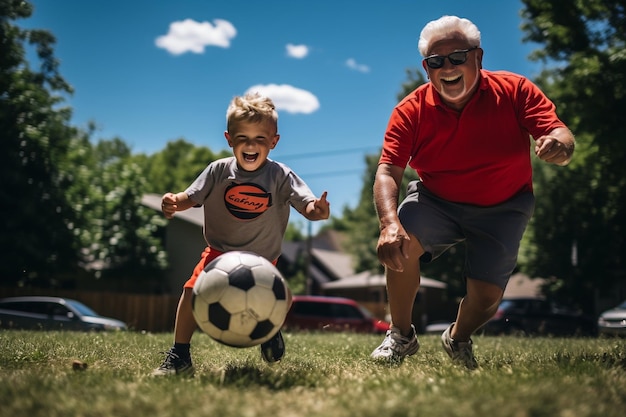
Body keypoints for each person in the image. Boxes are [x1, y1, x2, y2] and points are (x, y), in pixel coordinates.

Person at [370, 15, 575, 368]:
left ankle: (458, 337)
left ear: (477, 58)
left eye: (456, 57)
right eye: (436, 62)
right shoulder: (411, 110)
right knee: (400, 242)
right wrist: (389, 223)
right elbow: (388, 170)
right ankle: (401, 334)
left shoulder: (514, 90)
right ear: (426, 68)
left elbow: (560, 133)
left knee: (486, 298)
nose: (446, 67)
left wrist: (559, 145)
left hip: (504, 206)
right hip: (437, 199)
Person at [152, 92, 330, 376]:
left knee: (280, 299)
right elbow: (191, 196)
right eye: (243, 137)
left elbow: (306, 203)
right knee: (190, 291)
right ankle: (180, 356)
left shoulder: (281, 176)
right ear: (229, 138)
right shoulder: (218, 171)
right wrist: (174, 201)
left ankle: (269, 331)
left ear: (274, 141)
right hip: (218, 254)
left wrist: (316, 210)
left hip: (262, 260)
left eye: (260, 138)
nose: (251, 145)